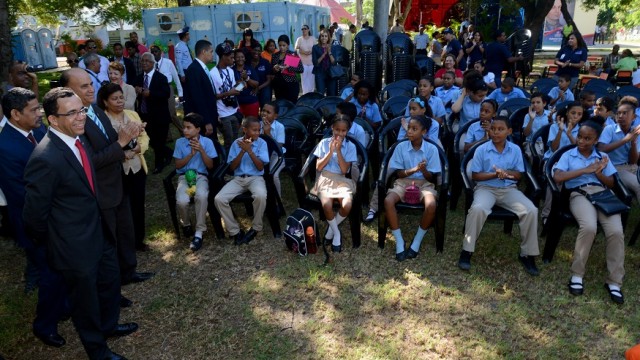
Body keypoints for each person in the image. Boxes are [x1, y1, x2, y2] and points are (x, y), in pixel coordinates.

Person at [23, 87, 137, 360]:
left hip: (100, 232)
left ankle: (108, 326)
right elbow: (34, 217)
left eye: (81, 110)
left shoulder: (79, 140)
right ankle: (97, 351)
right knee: (84, 303)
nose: (80, 117)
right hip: (74, 246)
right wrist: (59, 242)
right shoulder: (45, 158)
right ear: (52, 119)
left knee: (110, 282)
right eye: (71, 113)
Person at [60, 68, 153, 291]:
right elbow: (90, 160)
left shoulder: (94, 110)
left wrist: (131, 135)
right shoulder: (73, 121)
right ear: (66, 90)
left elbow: (113, 141)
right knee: (108, 242)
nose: (90, 89)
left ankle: (129, 271)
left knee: (125, 231)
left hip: (118, 183)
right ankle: (112, 288)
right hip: (100, 190)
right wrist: (122, 143)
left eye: (90, 84)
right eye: (83, 86)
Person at [0, 88, 67, 348]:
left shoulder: (38, 132)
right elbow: (22, 196)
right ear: (15, 114)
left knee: (60, 269)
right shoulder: (4, 147)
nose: (40, 113)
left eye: (39, 107)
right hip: (35, 223)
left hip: (55, 215)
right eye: (33, 110)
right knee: (50, 273)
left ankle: (63, 306)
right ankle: (45, 325)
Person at [552, 121, 625, 304]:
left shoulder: (602, 156)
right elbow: (558, 177)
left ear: (596, 140)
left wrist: (599, 173)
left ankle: (614, 281)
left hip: (602, 194)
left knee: (616, 232)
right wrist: (585, 170)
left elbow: (612, 184)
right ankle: (577, 274)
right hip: (579, 194)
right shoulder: (568, 154)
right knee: (589, 227)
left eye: (587, 138)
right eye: (580, 137)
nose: (582, 141)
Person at [458, 116, 540, 275]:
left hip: (509, 189)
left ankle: (527, 254)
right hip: (486, 188)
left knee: (531, 210)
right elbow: (475, 176)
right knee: (478, 209)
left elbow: (518, 176)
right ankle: (466, 251)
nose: (496, 132)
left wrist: (506, 173)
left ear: (509, 131)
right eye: (493, 129)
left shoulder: (515, 149)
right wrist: (494, 175)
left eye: (500, 129)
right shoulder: (481, 149)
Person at [98, 83, 150, 252]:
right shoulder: (102, 121)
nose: (119, 101)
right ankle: (124, 243)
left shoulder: (132, 114)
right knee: (121, 207)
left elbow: (144, 137)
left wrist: (138, 148)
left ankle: (139, 240)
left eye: (121, 97)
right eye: (114, 99)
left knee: (138, 203)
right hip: (117, 171)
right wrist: (122, 153)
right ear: (105, 102)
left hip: (136, 167)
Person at [385, 115, 440, 261]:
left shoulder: (432, 149)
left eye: (414, 129)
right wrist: (414, 169)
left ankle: (417, 241)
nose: (409, 131)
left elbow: (432, 178)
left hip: (425, 184)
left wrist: (423, 171)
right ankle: (399, 241)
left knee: (431, 204)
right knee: (388, 201)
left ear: (424, 131)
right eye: (409, 128)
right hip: (403, 182)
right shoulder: (401, 147)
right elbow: (398, 173)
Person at [214, 117, 269, 245]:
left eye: (259, 130)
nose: (257, 133)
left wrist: (249, 151)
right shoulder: (236, 144)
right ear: (244, 129)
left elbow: (260, 167)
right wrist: (242, 151)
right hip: (238, 179)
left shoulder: (262, 143)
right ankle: (235, 231)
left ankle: (256, 228)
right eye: (254, 130)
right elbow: (232, 168)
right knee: (219, 199)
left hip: (256, 178)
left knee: (260, 195)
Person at [313, 114, 358, 253]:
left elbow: (345, 169)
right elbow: (318, 167)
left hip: (341, 179)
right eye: (337, 129)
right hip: (325, 178)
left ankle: (330, 230)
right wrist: (330, 151)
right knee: (326, 204)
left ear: (347, 131)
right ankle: (336, 233)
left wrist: (338, 151)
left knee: (347, 205)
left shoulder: (350, 146)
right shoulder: (323, 143)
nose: (340, 133)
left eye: (343, 131)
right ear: (332, 128)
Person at [174, 113, 218, 251]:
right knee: (182, 200)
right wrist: (191, 154)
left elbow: (210, 166)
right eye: (184, 127)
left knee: (201, 196)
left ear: (198, 129)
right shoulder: (180, 143)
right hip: (184, 177)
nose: (185, 130)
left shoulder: (207, 142)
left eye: (188, 127)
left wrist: (201, 151)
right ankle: (186, 224)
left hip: (200, 177)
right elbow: (178, 165)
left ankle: (199, 232)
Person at [134, 52, 173, 174]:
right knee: (151, 140)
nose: (144, 63)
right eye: (142, 61)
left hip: (160, 116)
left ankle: (159, 164)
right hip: (145, 115)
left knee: (159, 140)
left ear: (152, 63)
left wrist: (151, 94)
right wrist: (137, 91)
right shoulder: (139, 78)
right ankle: (168, 153)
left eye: (147, 61)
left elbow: (165, 94)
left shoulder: (161, 78)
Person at [597, 97, 640, 203]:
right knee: (638, 186)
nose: (621, 116)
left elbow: (633, 161)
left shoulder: (636, 132)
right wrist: (626, 139)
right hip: (615, 168)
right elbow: (601, 149)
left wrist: (633, 142)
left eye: (625, 113)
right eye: (618, 113)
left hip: (632, 167)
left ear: (633, 117)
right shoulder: (609, 129)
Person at [184, 39, 218, 141]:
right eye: (211, 51)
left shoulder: (202, 68)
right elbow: (198, 98)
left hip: (209, 115)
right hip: (201, 120)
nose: (212, 54)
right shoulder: (194, 69)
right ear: (204, 51)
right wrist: (207, 121)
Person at [212, 42, 242, 151]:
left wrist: (241, 86)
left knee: (235, 140)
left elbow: (233, 87)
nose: (233, 60)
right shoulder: (212, 74)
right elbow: (212, 96)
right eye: (231, 57)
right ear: (223, 57)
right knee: (228, 141)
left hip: (234, 110)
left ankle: (234, 161)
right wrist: (228, 94)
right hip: (223, 114)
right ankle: (227, 165)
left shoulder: (230, 70)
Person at [150, 45, 184, 131]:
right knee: (161, 113)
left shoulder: (168, 62)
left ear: (161, 52)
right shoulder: (151, 64)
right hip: (156, 90)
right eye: (152, 52)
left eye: (156, 51)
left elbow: (176, 78)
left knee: (171, 113)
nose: (154, 53)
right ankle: (168, 137)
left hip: (167, 88)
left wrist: (180, 93)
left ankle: (182, 131)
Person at [260, 102, 286, 197]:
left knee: (273, 175)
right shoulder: (257, 125)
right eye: (263, 110)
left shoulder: (279, 127)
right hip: (261, 155)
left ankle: (277, 199)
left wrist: (268, 134)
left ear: (275, 116)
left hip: (276, 156)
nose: (264, 114)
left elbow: (278, 148)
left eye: (268, 112)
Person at [271, 35, 303, 103]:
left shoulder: (292, 54)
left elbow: (301, 69)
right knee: (280, 106)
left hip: (291, 84)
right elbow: (271, 70)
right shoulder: (275, 55)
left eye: (284, 45)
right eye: (280, 45)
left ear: (288, 45)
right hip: (278, 86)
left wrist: (288, 67)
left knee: (291, 105)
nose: (281, 47)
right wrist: (274, 69)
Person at [522, 92, 551, 157]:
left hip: (546, 143)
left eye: (538, 102)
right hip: (531, 142)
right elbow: (526, 134)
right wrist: (531, 119)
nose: (535, 105)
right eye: (533, 103)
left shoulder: (550, 114)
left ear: (544, 103)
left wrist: (551, 120)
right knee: (532, 155)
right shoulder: (527, 116)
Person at [233, 49, 260, 118]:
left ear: (245, 58)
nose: (240, 59)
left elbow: (256, 84)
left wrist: (247, 78)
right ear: (234, 59)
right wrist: (239, 83)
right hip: (236, 103)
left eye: (242, 57)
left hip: (251, 101)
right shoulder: (231, 70)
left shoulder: (249, 69)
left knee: (252, 124)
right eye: (238, 57)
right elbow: (231, 87)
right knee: (237, 126)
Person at [312, 29, 338, 96]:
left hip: (331, 73)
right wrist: (324, 54)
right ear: (320, 37)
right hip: (320, 73)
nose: (324, 38)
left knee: (331, 94)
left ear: (328, 37)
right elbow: (315, 63)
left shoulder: (333, 47)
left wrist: (329, 52)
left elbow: (334, 63)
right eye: (322, 36)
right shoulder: (315, 48)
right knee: (320, 94)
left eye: (326, 36)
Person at [249, 44, 273, 110]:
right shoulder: (247, 63)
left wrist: (258, 88)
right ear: (251, 50)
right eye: (255, 50)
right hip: (251, 86)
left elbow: (269, 80)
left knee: (265, 102)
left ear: (261, 52)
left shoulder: (265, 62)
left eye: (259, 51)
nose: (256, 52)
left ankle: (265, 115)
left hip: (263, 86)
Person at [295, 25, 316, 95]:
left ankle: (311, 94)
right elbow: (296, 49)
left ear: (308, 30)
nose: (304, 30)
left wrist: (311, 52)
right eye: (302, 29)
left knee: (311, 80)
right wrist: (303, 52)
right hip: (302, 63)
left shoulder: (313, 38)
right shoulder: (299, 39)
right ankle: (305, 95)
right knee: (304, 80)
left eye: (305, 29)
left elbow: (316, 48)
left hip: (311, 62)